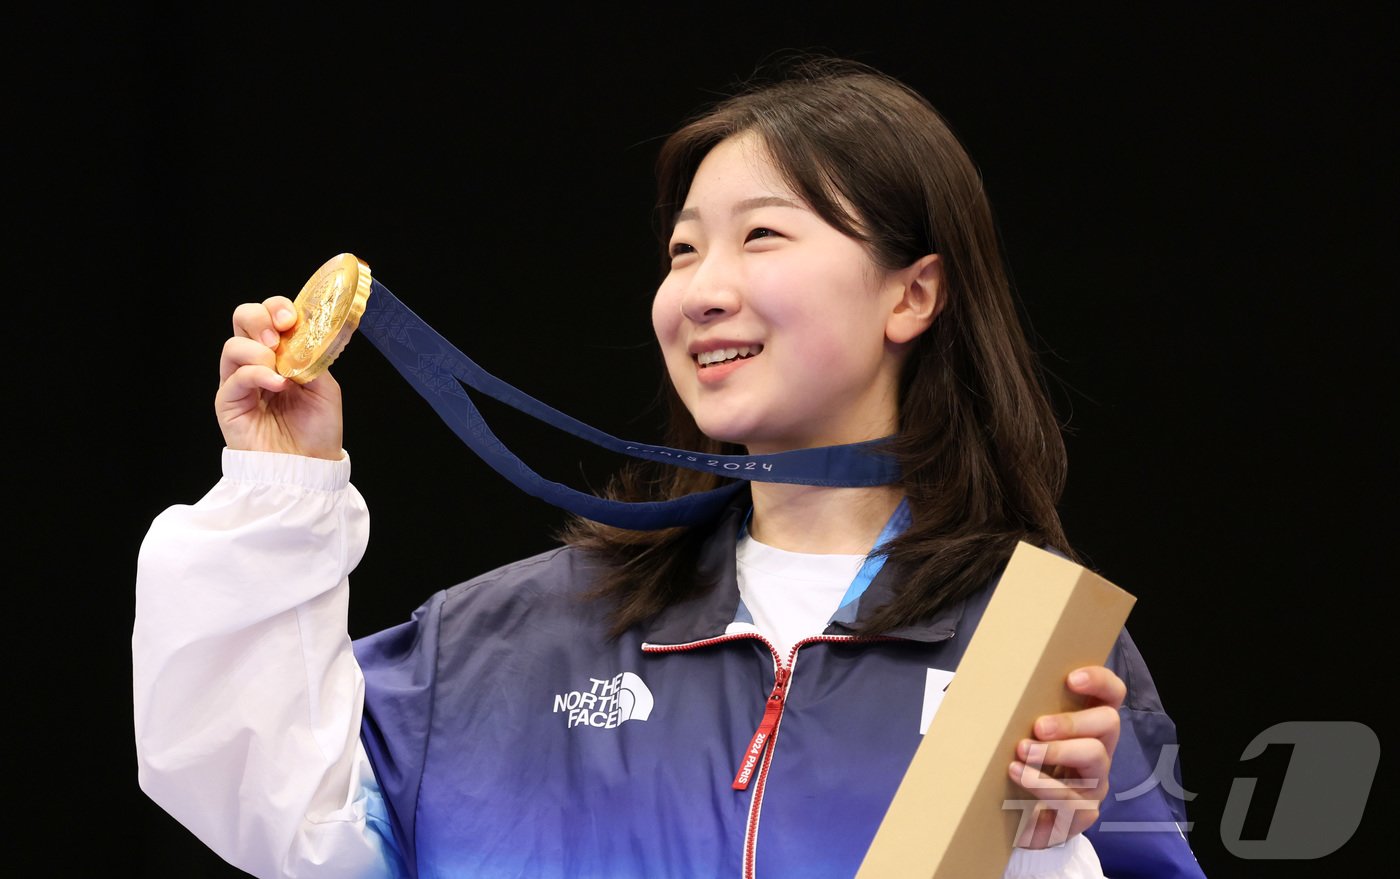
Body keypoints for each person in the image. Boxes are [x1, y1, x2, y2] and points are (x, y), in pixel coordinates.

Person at [134, 58, 1204, 878]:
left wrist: (1042, 849)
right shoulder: (508, 641)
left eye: (762, 237)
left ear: (911, 296)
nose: (700, 288)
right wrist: (278, 494)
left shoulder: (1032, 653)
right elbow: (272, 812)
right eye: (684, 250)